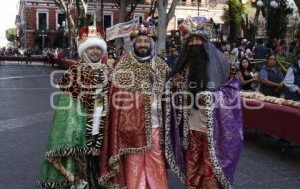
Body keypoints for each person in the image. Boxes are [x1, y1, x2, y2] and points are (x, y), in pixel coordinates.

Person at [164, 17, 243, 189]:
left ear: (205, 42)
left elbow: (232, 92)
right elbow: (170, 92)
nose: (194, 44)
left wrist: (211, 97)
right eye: (190, 41)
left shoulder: (224, 64)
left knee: (211, 164)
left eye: (198, 39)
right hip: (190, 125)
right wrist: (172, 87)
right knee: (192, 159)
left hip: (214, 125)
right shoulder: (182, 66)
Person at [38, 26, 109, 189]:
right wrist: (74, 127)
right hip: (81, 126)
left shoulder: (108, 71)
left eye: (98, 48)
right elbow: (66, 104)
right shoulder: (74, 71)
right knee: (81, 165)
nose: (95, 52)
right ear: (84, 50)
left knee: (99, 165)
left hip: (103, 126)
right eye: (91, 47)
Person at [99, 23, 169, 189]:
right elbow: (115, 94)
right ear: (134, 44)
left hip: (156, 125)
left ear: (151, 43)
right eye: (139, 41)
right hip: (131, 128)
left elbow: (169, 93)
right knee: (133, 164)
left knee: (156, 161)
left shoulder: (160, 65)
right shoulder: (124, 65)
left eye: (146, 41)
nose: (143, 44)